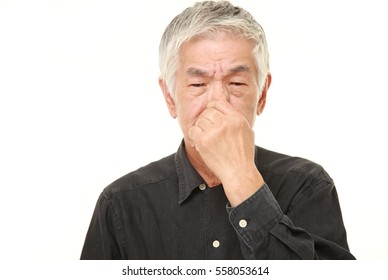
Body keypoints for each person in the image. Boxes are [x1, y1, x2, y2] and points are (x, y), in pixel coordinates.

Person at [80, 0, 354, 260]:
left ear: (262, 95)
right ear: (170, 97)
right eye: (198, 85)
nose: (218, 102)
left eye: (236, 83)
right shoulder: (120, 204)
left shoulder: (308, 187)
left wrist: (241, 178)